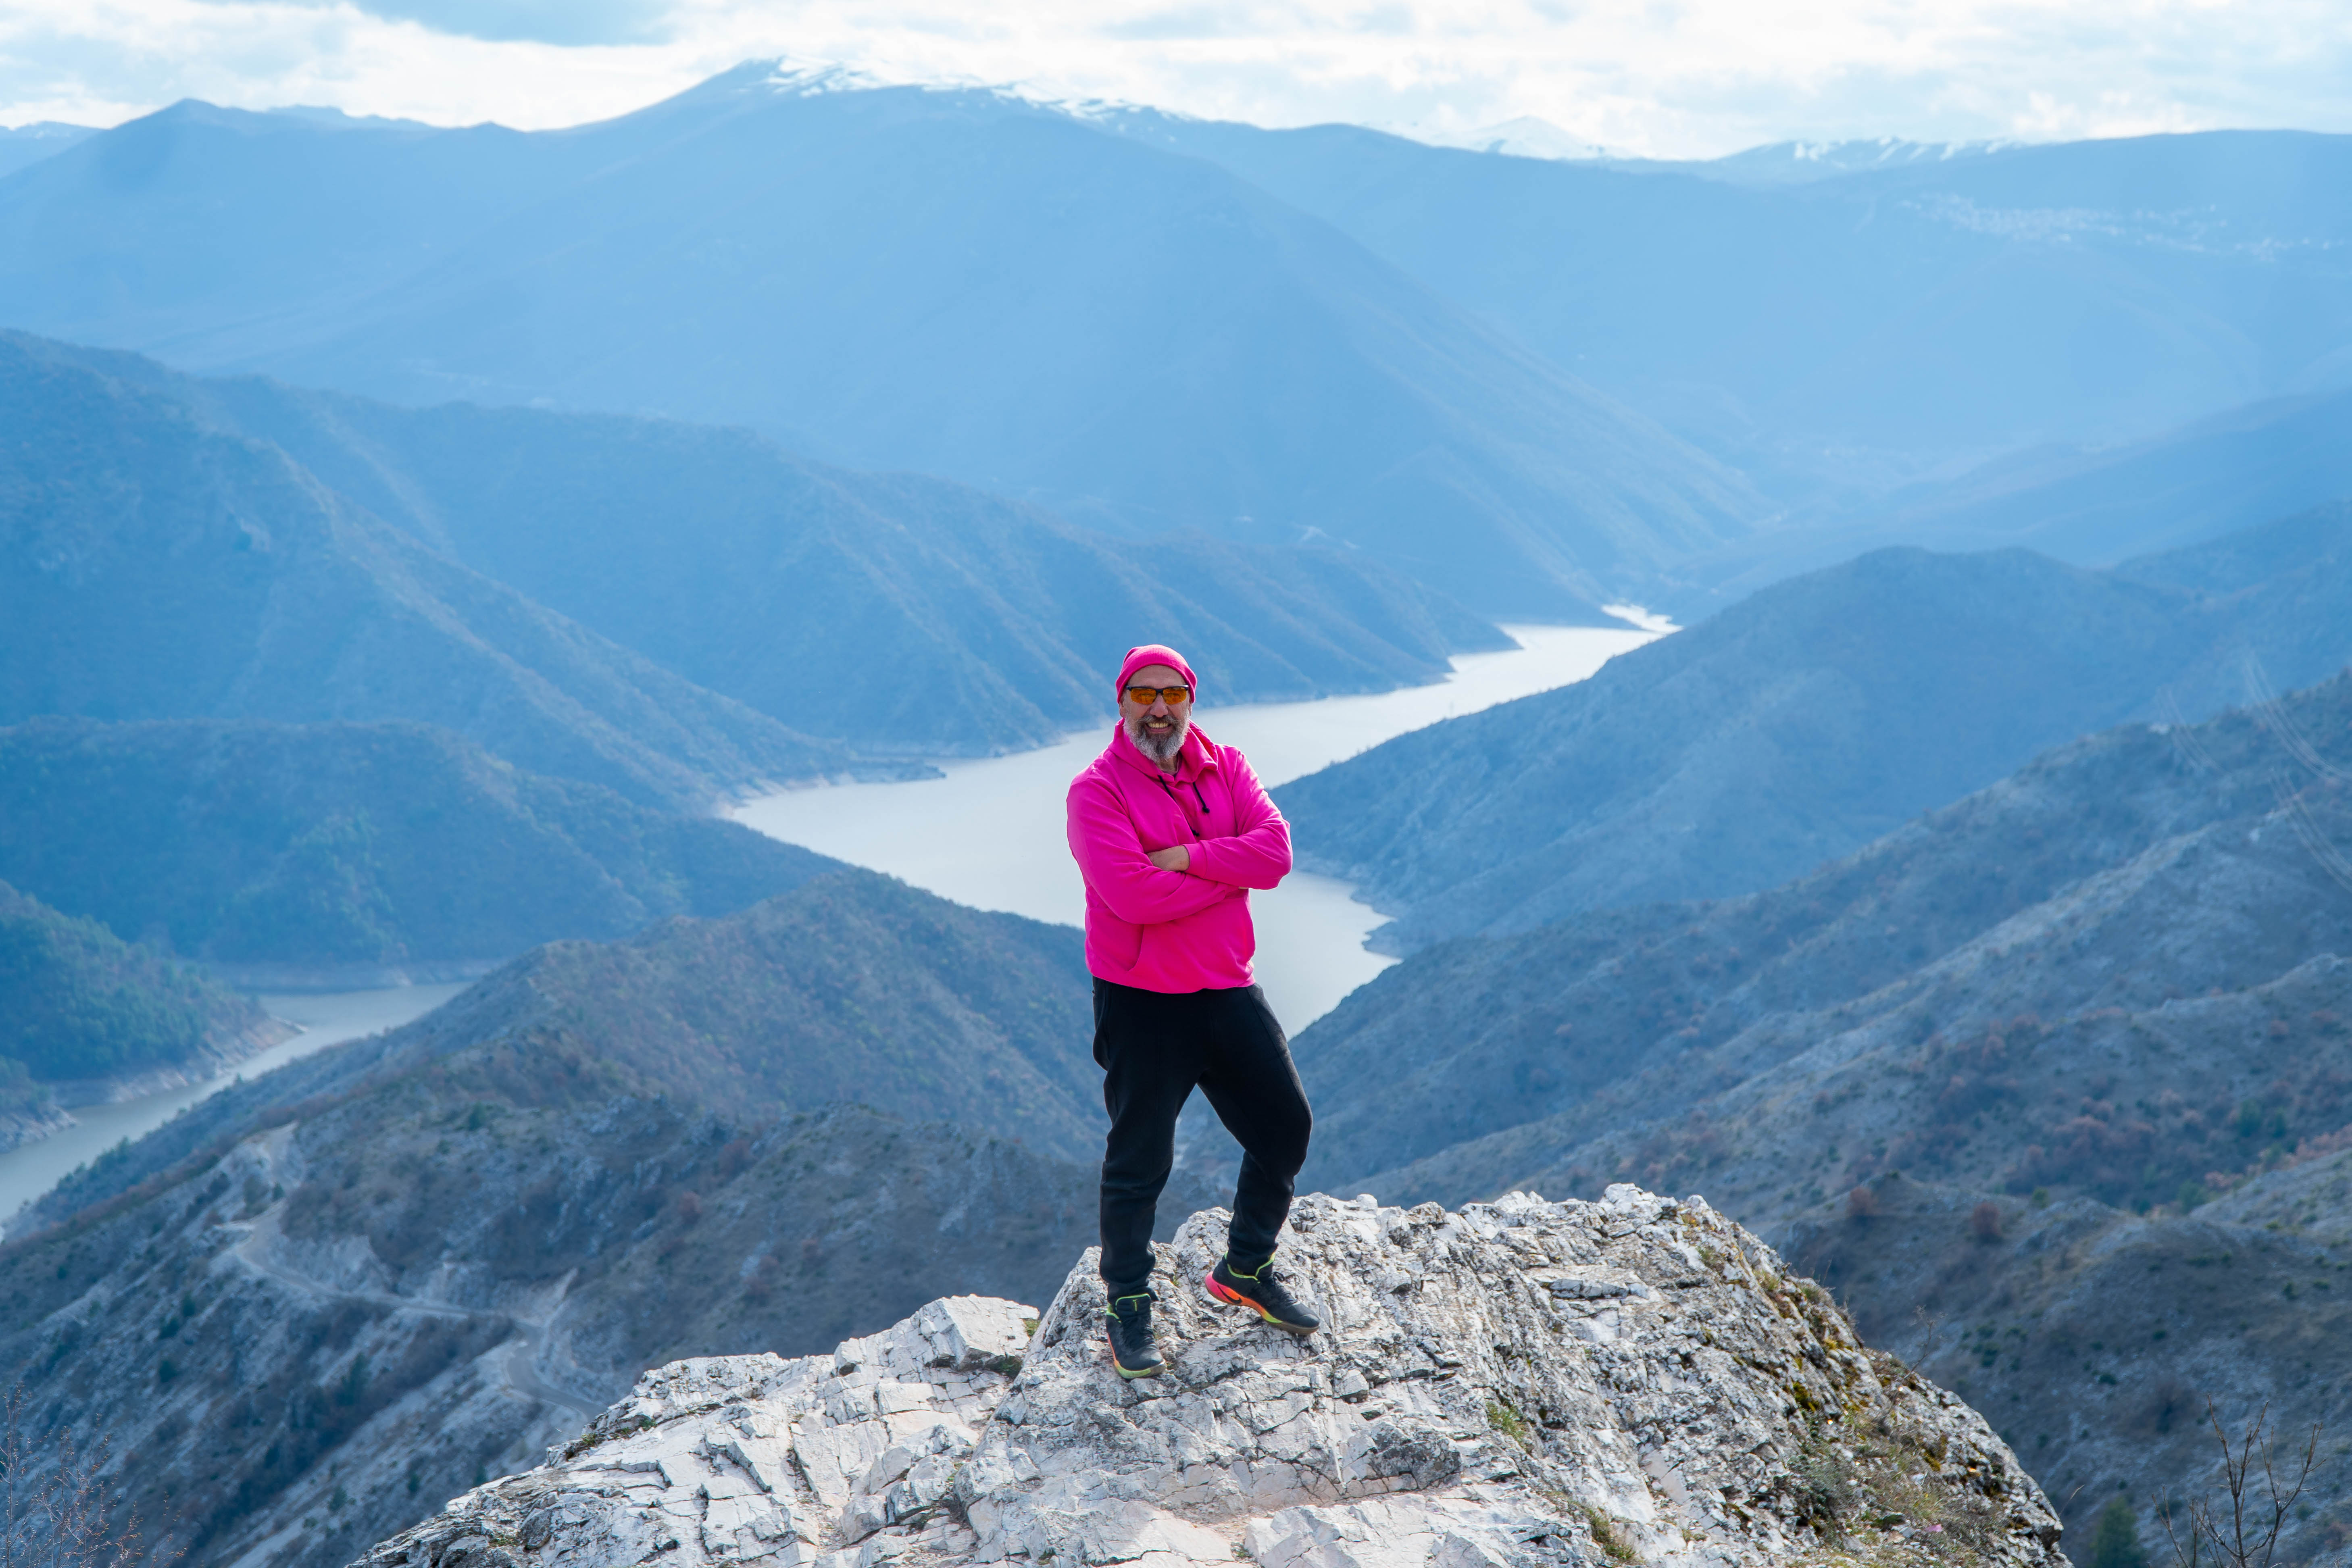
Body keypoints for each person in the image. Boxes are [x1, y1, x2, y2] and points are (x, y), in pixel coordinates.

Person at [1065, 643, 1318, 1379]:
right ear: (1121, 701)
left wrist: (1184, 857)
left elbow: (1274, 854)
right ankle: (1126, 1301)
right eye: (1143, 693)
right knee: (1140, 1159)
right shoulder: (1096, 791)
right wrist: (1228, 868)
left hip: (1225, 986)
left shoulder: (1226, 766)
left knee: (1285, 1128)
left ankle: (1244, 1267)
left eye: (1171, 693)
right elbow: (1132, 896)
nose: (1158, 707)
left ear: (1189, 699)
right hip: (1142, 1000)